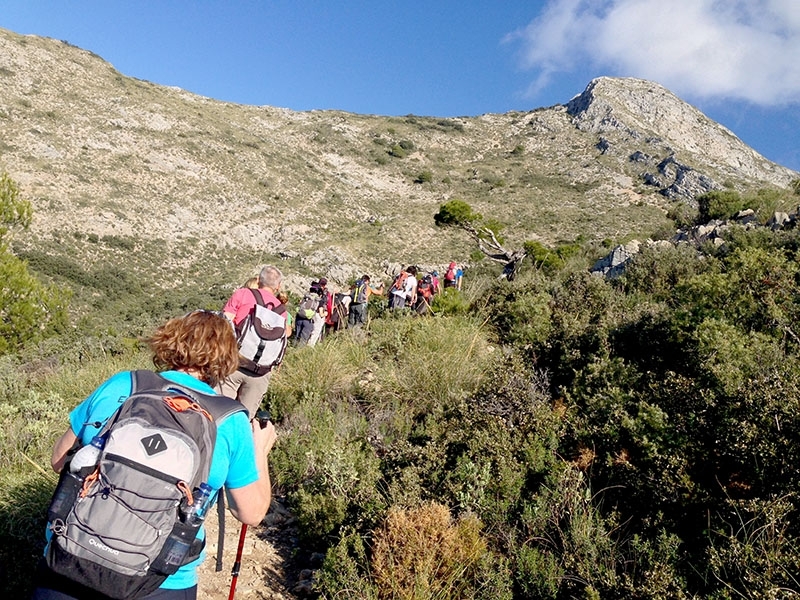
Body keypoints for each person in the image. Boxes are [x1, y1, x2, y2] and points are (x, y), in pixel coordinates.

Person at [33, 310, 277, 600]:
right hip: (161, 581)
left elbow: (59, 460)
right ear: (226, 360)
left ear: (170, 341)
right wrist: (260, 449)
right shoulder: (229, 420)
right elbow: (250, 513)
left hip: (70, 559)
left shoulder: (123, 384)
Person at [219, 265, 286, 418]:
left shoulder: (242, 294)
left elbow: (223, 322)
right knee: (242, 420)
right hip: (260, 372)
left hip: (233, 363)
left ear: (258, 280)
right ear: (278, 286)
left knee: (217, 413)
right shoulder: (282, 310)